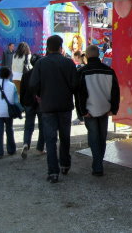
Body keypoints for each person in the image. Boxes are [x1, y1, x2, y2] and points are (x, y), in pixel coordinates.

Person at [29, 35, 78, 183]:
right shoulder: (68, 63)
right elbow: (75, 85)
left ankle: (53, 172)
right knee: (65, 136)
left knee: (50, 140)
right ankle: (65, 164)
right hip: (65, 105)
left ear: (47, 47)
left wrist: (39, 95)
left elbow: (33, 84)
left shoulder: (40, 63)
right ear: (60, 47)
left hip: (47, 106)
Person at [75, 45, 120, 176]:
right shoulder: (109, 71)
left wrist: (82, 112)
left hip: (89, 110)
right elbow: (116, 92)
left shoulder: (82, 72)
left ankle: (98, 164)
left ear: (87, 55)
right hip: (105, 109)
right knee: (102, 137)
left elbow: (79, 94)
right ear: (99, 54)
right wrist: (113, 109)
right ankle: (99, 162)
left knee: (94, 137)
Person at [0, 67, 23, 159]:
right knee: (9, 129)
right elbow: (16, 101)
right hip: (8, 112)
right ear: (9, 75)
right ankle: (11, 150)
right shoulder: (12, 86)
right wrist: (21, 109)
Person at [20, 54, 45, 158]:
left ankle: (26, 143)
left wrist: (22, 104)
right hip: (40, 103)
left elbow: (22, 91)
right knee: (42, 126)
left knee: (28, 125)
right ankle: (40, 148)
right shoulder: (43, 75)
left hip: (28, 103)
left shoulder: (26, 75)